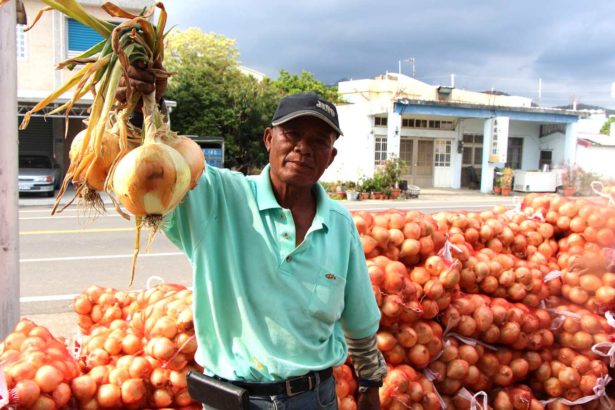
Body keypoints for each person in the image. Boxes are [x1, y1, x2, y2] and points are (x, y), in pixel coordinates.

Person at [122, 71, 386, 409]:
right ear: (268, 139)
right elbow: (154, 175)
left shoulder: (339, 223)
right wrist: (142, 109)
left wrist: (370, 384)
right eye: (291, 134)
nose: (303, 148)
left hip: (313, 399)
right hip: (233, 401)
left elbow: (360, 318)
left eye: (319, 141)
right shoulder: (219, 197)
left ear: (331, 157)